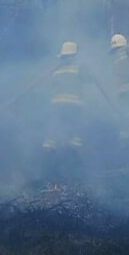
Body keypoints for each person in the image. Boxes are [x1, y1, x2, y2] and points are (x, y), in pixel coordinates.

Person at [42, 41, 84, 177]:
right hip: (73, 105)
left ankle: (47, 161)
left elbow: (50, 86)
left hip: (56, 105)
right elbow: (89, 79)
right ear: (74, 55)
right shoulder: (79, 68)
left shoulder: (56, 70)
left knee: (53, 133)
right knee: (74, 133)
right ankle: (74, 160)